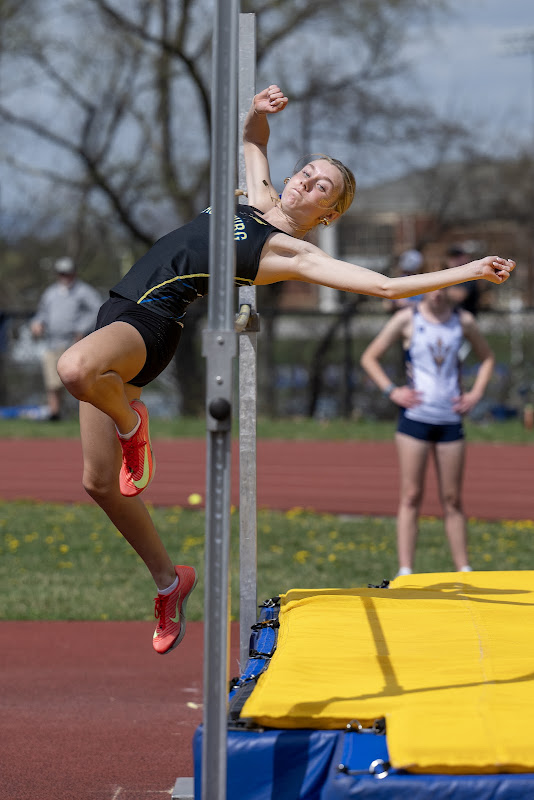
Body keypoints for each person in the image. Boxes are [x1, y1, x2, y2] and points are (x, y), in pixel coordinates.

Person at [56, 84, 515, 655]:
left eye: (323, 185)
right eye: (307, 171)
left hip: (151, 326)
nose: (306, 181)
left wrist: (465, 271)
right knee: (98, 483)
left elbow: (384, 286)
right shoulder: (256, 193)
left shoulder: (292, 252)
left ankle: (132, 425)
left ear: (330, 212)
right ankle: (170, 583)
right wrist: (258, 110)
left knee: (74, 369)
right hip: (115, 313)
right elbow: (252, 138)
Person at [360, 281, 495, 576]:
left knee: (453, 498)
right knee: (411, 495)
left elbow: (487, 358)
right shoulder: (408, 318)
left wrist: (475, 393)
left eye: (443, 286)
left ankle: (464, 568)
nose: (436, 292)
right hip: (415, 419)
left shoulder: (463, 320)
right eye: (431, 285)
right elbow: (370, 357)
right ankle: (406, 568)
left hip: (450, 419)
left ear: (450, 289)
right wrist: (391, 391)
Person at [30, 258, 102, 420]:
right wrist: (37, 323)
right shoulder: (50, 293)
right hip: (52, 342)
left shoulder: (84, 291)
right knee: (52, 381)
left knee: (77, 379)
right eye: (61, 273)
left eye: (68, 273)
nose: (65, 277)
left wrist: (81, 328)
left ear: (74, 273)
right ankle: (54, 414)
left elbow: (97, 309)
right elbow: (42, 313)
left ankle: (85, 416)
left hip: (74, 342)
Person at [445, 245, 480, 315]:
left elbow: (459, 296)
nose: (453, 260)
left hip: (465, 318)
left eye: (457, 257)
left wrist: (441, 290)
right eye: (451, 257)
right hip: (448, 317)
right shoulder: (447, 274)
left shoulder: (469, 275)